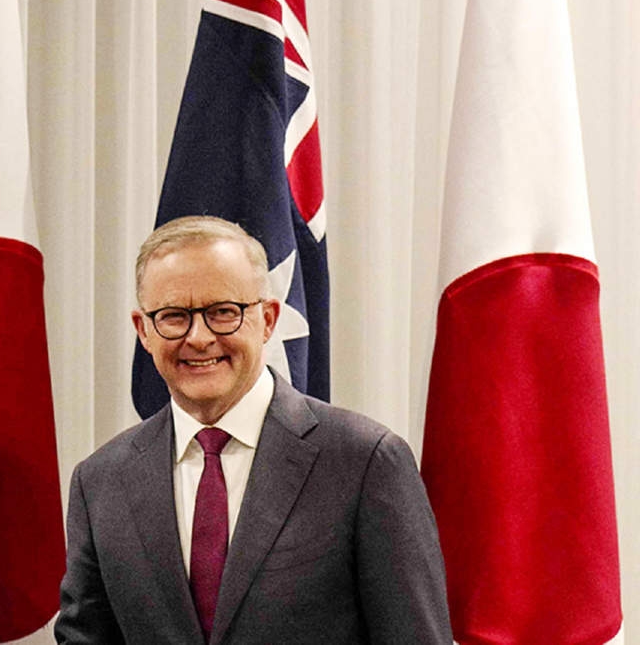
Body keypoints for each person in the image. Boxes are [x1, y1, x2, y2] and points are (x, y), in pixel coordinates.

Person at [55, 216, 450, 644]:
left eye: (223, 312)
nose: (200, 337)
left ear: (267, 319)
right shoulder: (100, 482)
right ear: (144, 330)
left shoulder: (364, 462)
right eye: (173, 316)